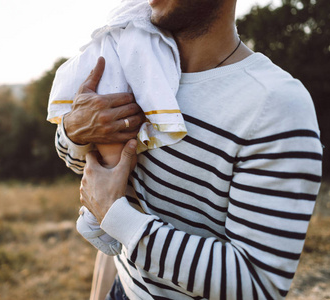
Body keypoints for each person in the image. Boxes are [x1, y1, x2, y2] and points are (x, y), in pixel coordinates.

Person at [56, 0, 323, 299]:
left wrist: (114, 215)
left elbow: (258, 286)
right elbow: (86, 169)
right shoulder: (136, 64)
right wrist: (73, 131)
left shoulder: (275, 106)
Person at [48, 0, 187, 257]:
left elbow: (256, 282)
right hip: (123, 286)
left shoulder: (269, 101)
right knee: (115, 148)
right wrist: (72, 129)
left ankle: (94, 217)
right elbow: (77, 164)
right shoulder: (137, 43)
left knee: (118, 149)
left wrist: (118, 219)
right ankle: (93, 216)